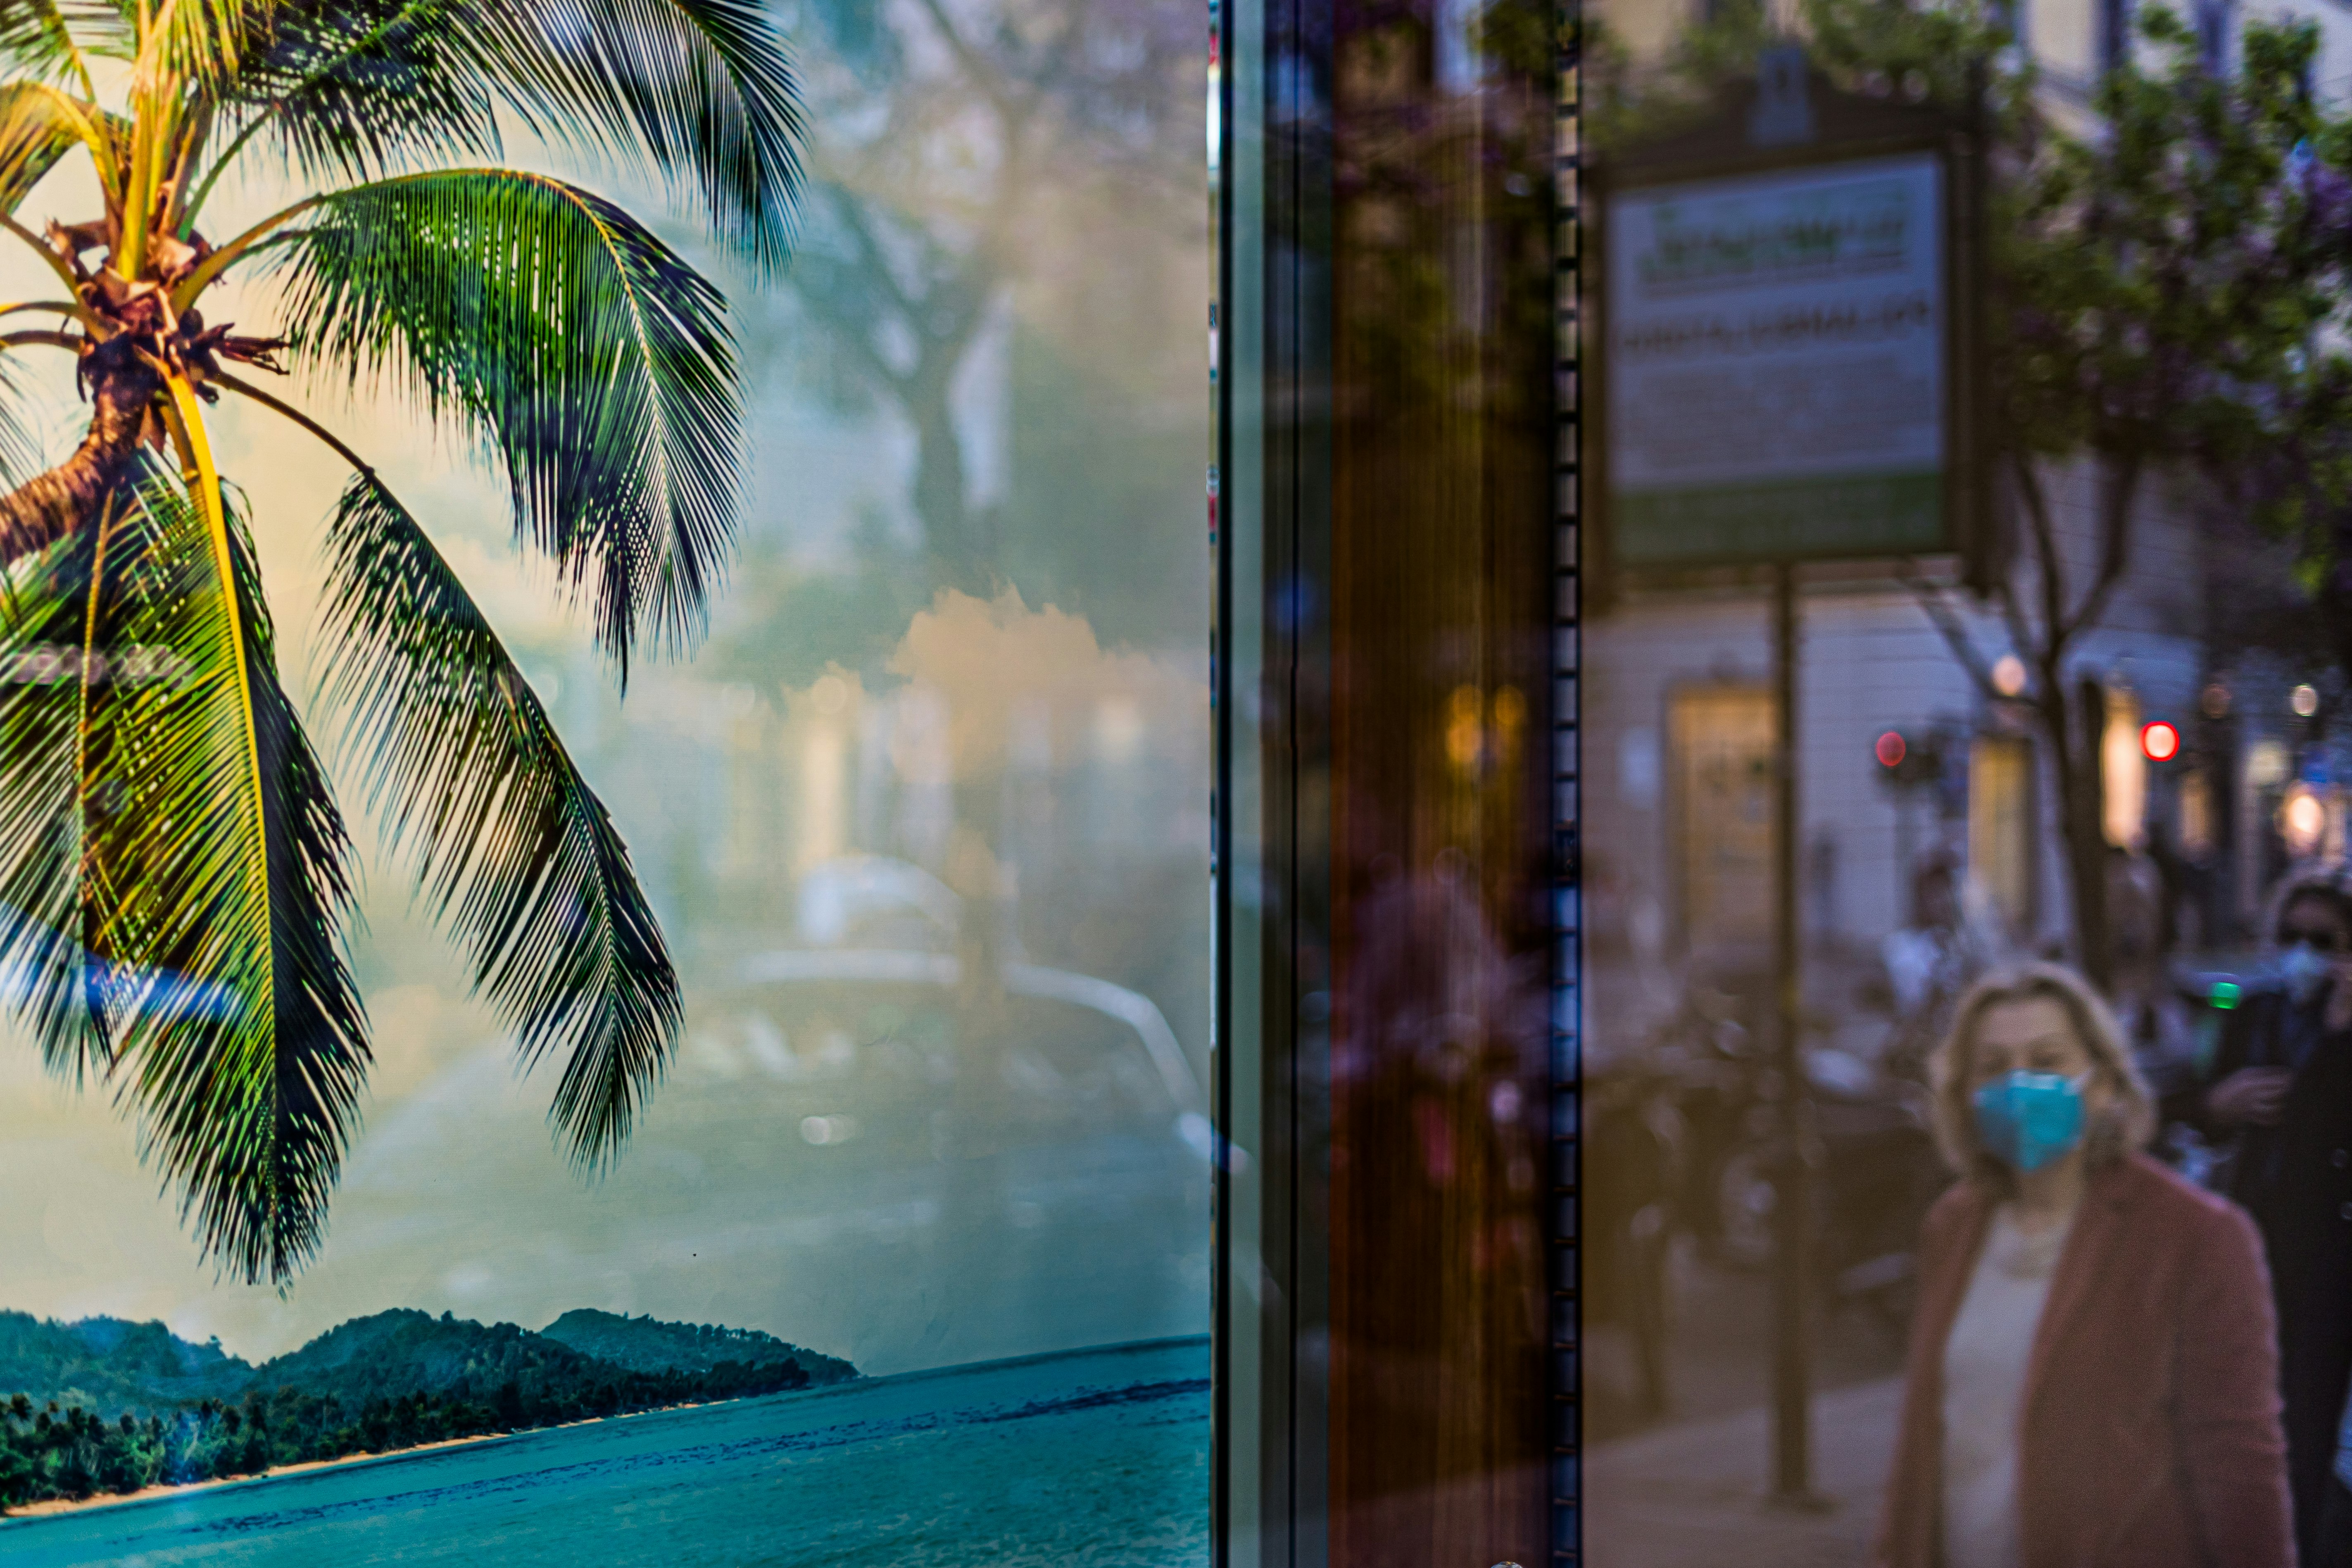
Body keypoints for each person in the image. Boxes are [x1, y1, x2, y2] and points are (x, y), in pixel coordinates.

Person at [1875, 962, 2293, 1568]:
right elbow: (1923, 1436)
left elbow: (2238, 1460)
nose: (2019, 1085)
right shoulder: (1955, 1225)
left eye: (2046, 1061)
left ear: (2101, 1086)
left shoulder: (2196, 1238)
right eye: (1993, 1067)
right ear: (1964, 1093)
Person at [2186, 866, 2352, 1565]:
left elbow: (2324, 1126)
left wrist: (2341, 1036)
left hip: (2329, 1261)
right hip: (2254, 1246)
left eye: (2322, 939)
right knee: (2254, 1418)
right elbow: (2192, 1088)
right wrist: (2215, 1105)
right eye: (2289, 935)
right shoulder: (2247, 1008)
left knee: (2311, 1431)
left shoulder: (2342, 1029)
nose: (2301, 953)